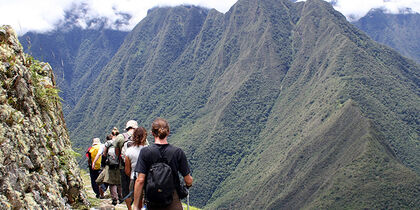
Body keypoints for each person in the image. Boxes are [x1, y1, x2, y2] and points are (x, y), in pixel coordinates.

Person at [133, 118, 193, 210]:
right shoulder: (178, 152)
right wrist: (188, 185)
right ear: (168, 132)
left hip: (152, 200)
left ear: (152, 133)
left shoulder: (145, 152)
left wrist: (136, 206)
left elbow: (140, 180)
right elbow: (188, 180)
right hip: (173, 199)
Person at [114, 120, 138, 208]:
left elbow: (116, 152)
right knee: (138, 188)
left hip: (124, 167)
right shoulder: (140, 136)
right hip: (138, 168)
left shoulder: (120, 137)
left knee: (125, 188)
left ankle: (129, 208)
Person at [124, 127, 148, 210]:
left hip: (134, 179)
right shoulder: (148, 150)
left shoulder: (129, 151)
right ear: (145, 137)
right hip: (148, 179)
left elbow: (127, 170)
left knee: (136, 202)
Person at [96, 134, 122, 205]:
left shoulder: (108, 144)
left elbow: (104, 154)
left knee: (111, 183)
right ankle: (121, 197)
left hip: (110, 165)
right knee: (119, 182)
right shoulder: (121, 142)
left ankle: (114, 199)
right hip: (119, 165)